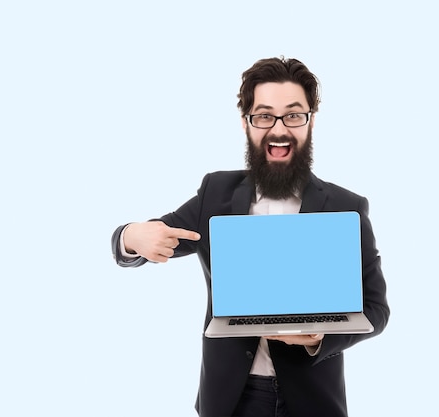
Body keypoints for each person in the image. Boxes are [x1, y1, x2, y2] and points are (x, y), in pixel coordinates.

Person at [111, 57, 390, 417]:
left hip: (312, 400)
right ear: (247, 124)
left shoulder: (345, 206)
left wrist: (321, 338)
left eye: (293, 115)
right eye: (263, 116)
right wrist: (131, 235)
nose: (279, 129)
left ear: (310, 121)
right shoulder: (215, 194)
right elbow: (156, 237)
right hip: (232, 399)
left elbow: (377, 309)